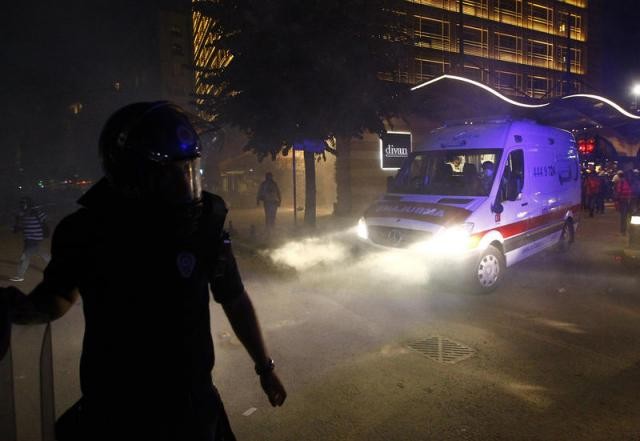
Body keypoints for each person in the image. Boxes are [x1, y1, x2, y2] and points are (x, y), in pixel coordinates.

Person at [0, 102, 286, 440]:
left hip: (193, 406)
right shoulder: (88, 230)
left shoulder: (204, 224)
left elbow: (234, 298)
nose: (186, 185)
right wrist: (18, 310)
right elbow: (59, 296)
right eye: (172, 175)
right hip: (116, 412)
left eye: (189, 171)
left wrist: (264, 368)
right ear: (133, 176)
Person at [10, 196, 51, 282]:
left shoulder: (36, 213)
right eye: (21, 203)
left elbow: (45, 221)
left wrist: (35, 213)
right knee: (42, 254)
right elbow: (18, 229)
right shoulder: (23, 214)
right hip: (28, 240)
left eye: (23, 203)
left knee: (25, 257)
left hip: (34, 240)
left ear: (28, 204)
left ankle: (19, 276)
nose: (22, 205)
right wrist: (17, 220)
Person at [614, 170, 633, 235]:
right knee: (630, 215)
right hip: (630, 199)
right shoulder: (629, 182)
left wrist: (616, 199)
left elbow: (618, 191)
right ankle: (631, 229)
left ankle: (623, 230)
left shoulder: (620, 182)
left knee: (623, 216)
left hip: (623, 200)